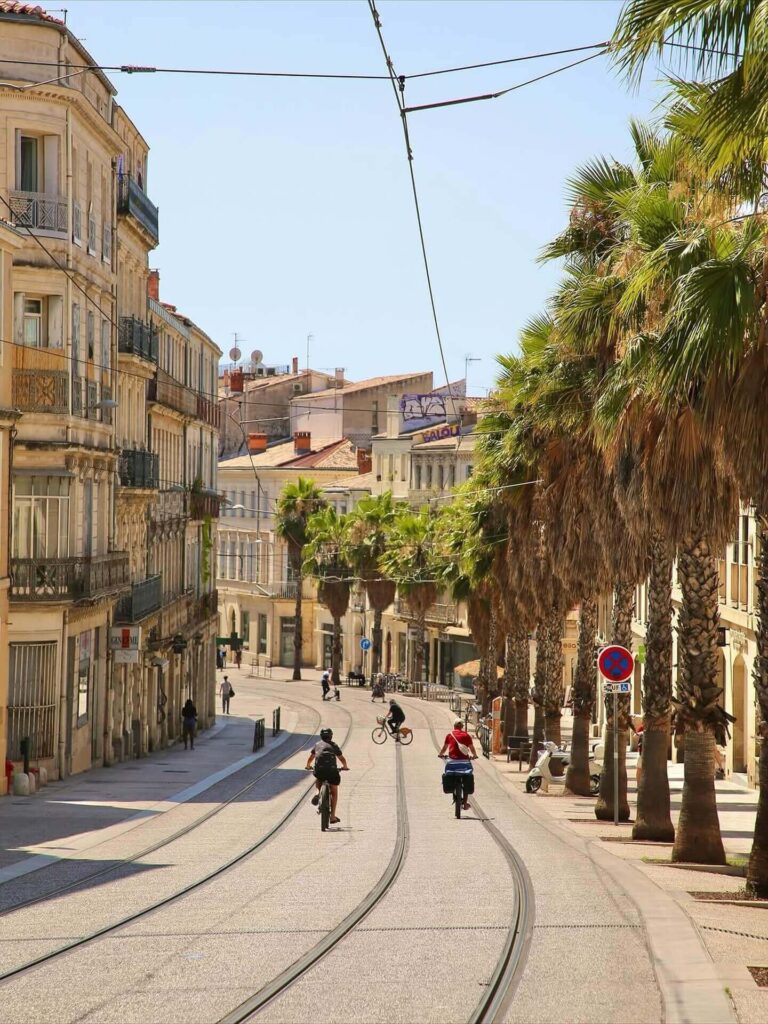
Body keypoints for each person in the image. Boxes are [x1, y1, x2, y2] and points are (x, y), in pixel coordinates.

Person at [305, 727, 349, 824]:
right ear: (331, 736)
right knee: (334, 792)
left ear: (321, 736)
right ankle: (332, 817)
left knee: (318, 778)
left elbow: (311, 758)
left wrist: (308, 766)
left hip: (319, 771)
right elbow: (341, 758)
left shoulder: (317, 745)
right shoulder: (333, 745)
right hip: (332, 772)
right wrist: (345, 766)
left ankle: (317, 793)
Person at [438, 719, 478, 809]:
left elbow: (444, 748)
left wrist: (440, 755)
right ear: (462, 727)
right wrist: (474, 755)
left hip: (451, 763)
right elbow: (472, 748)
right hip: (465, 764)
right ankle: (465, 803)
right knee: (467, 779)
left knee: (451, 776)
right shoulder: (466, 735)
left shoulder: (449, 735)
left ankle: (454, 793)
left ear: (454, 726)